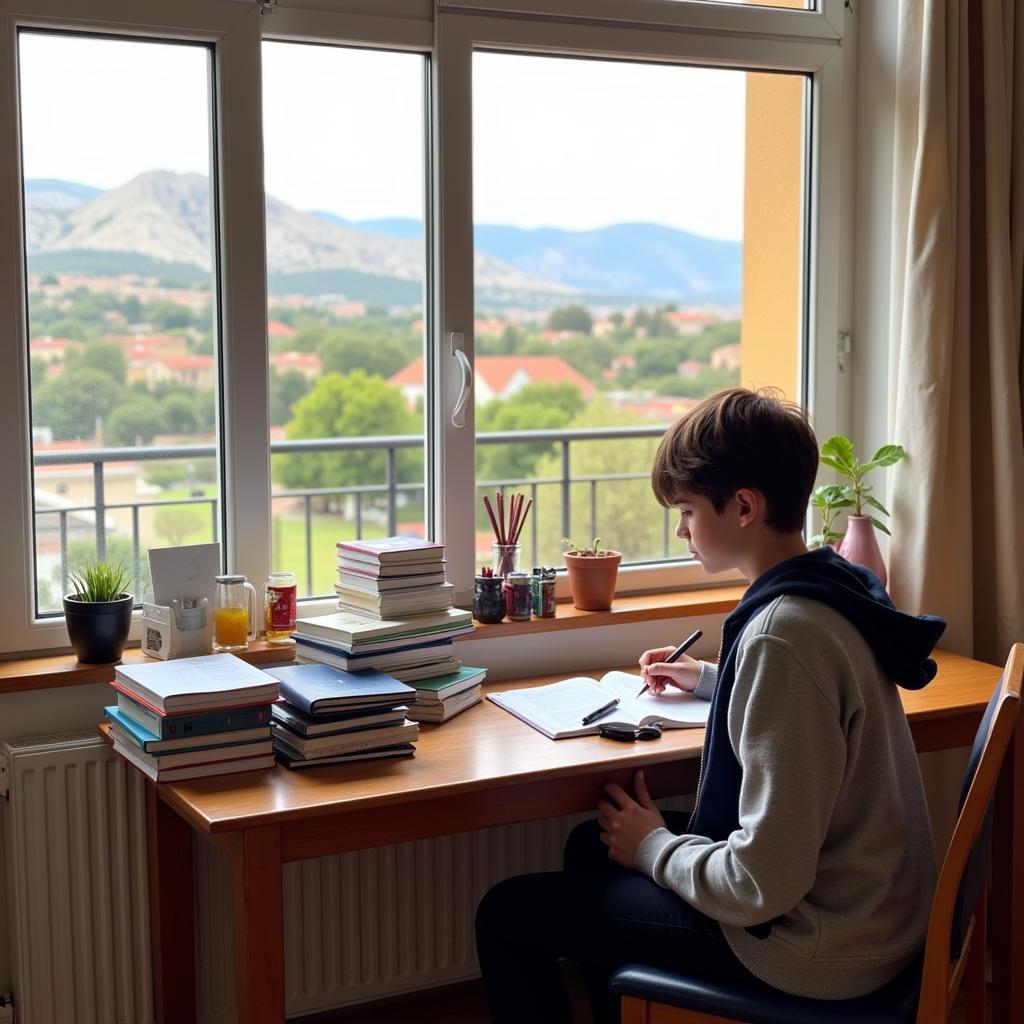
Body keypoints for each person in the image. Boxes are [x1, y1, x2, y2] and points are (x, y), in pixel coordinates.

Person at [475, 387, 945, 1024]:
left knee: (507, 915)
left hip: (816, 948)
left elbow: (762, 883)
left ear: (745, 506)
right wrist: (708, 679)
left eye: (688, 511)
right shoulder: (830, 591)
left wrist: (653, 848)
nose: (680, 530)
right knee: (592, 844)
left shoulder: (782, 634)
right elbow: (806, 701)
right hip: (869, 915)